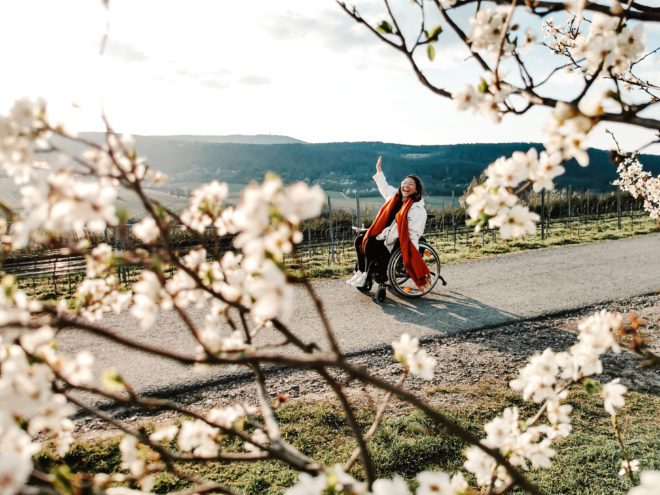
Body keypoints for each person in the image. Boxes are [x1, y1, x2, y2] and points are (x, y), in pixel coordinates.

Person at [347, 156, 431, 291]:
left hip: (395, 240)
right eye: (404, 182)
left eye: (410, 184)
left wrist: (412, 255)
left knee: (370, 244)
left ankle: (367, 275)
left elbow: (414, 233)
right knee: (359, 240)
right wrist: (379, 170)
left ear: (416, 189)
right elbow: (383, 186)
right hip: (384, 234)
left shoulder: (417, 209)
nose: (406, 186)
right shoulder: (394, 196)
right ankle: (361, 272)